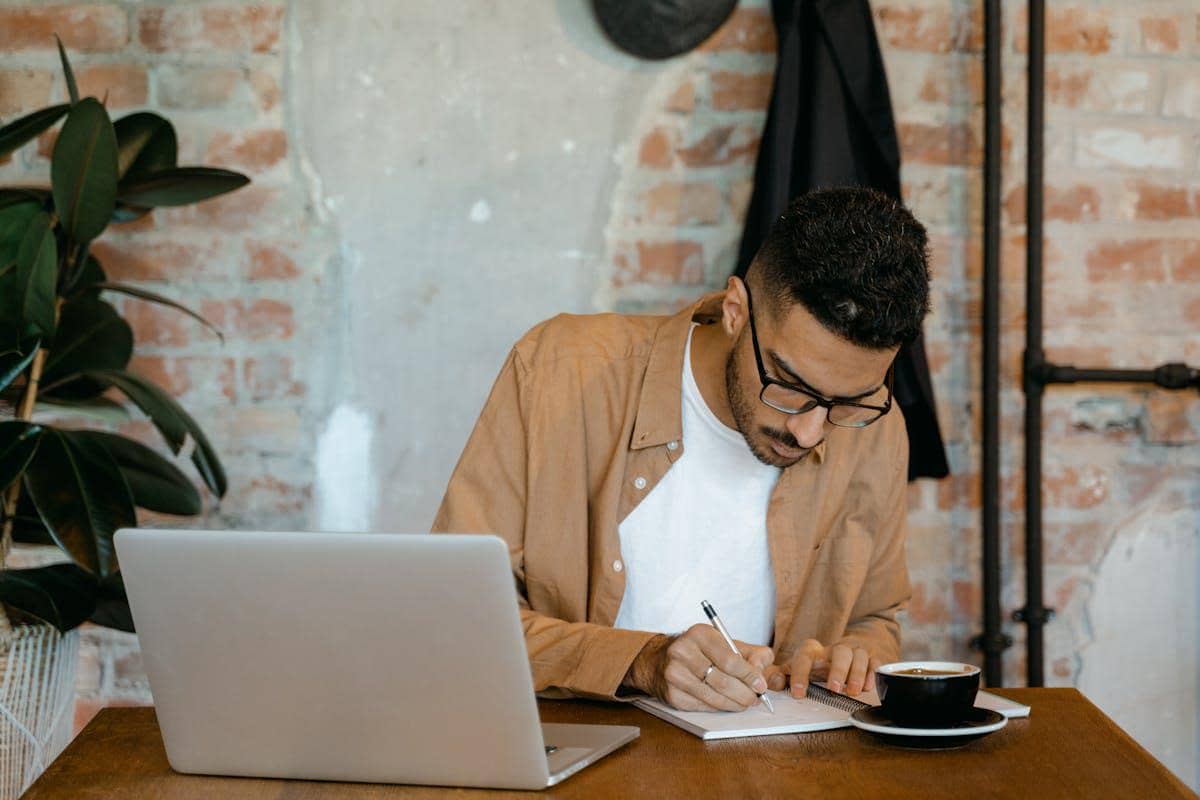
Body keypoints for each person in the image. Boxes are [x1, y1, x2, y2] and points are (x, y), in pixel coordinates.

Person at [432, 186, 930, 712]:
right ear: (736, 309)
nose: (809, 432)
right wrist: (642, 661)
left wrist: (853, 658)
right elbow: (456, 612)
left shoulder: (875, 427)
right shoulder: (559, 372)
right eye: (788, 385)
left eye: (848, 401)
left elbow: (873, 618)